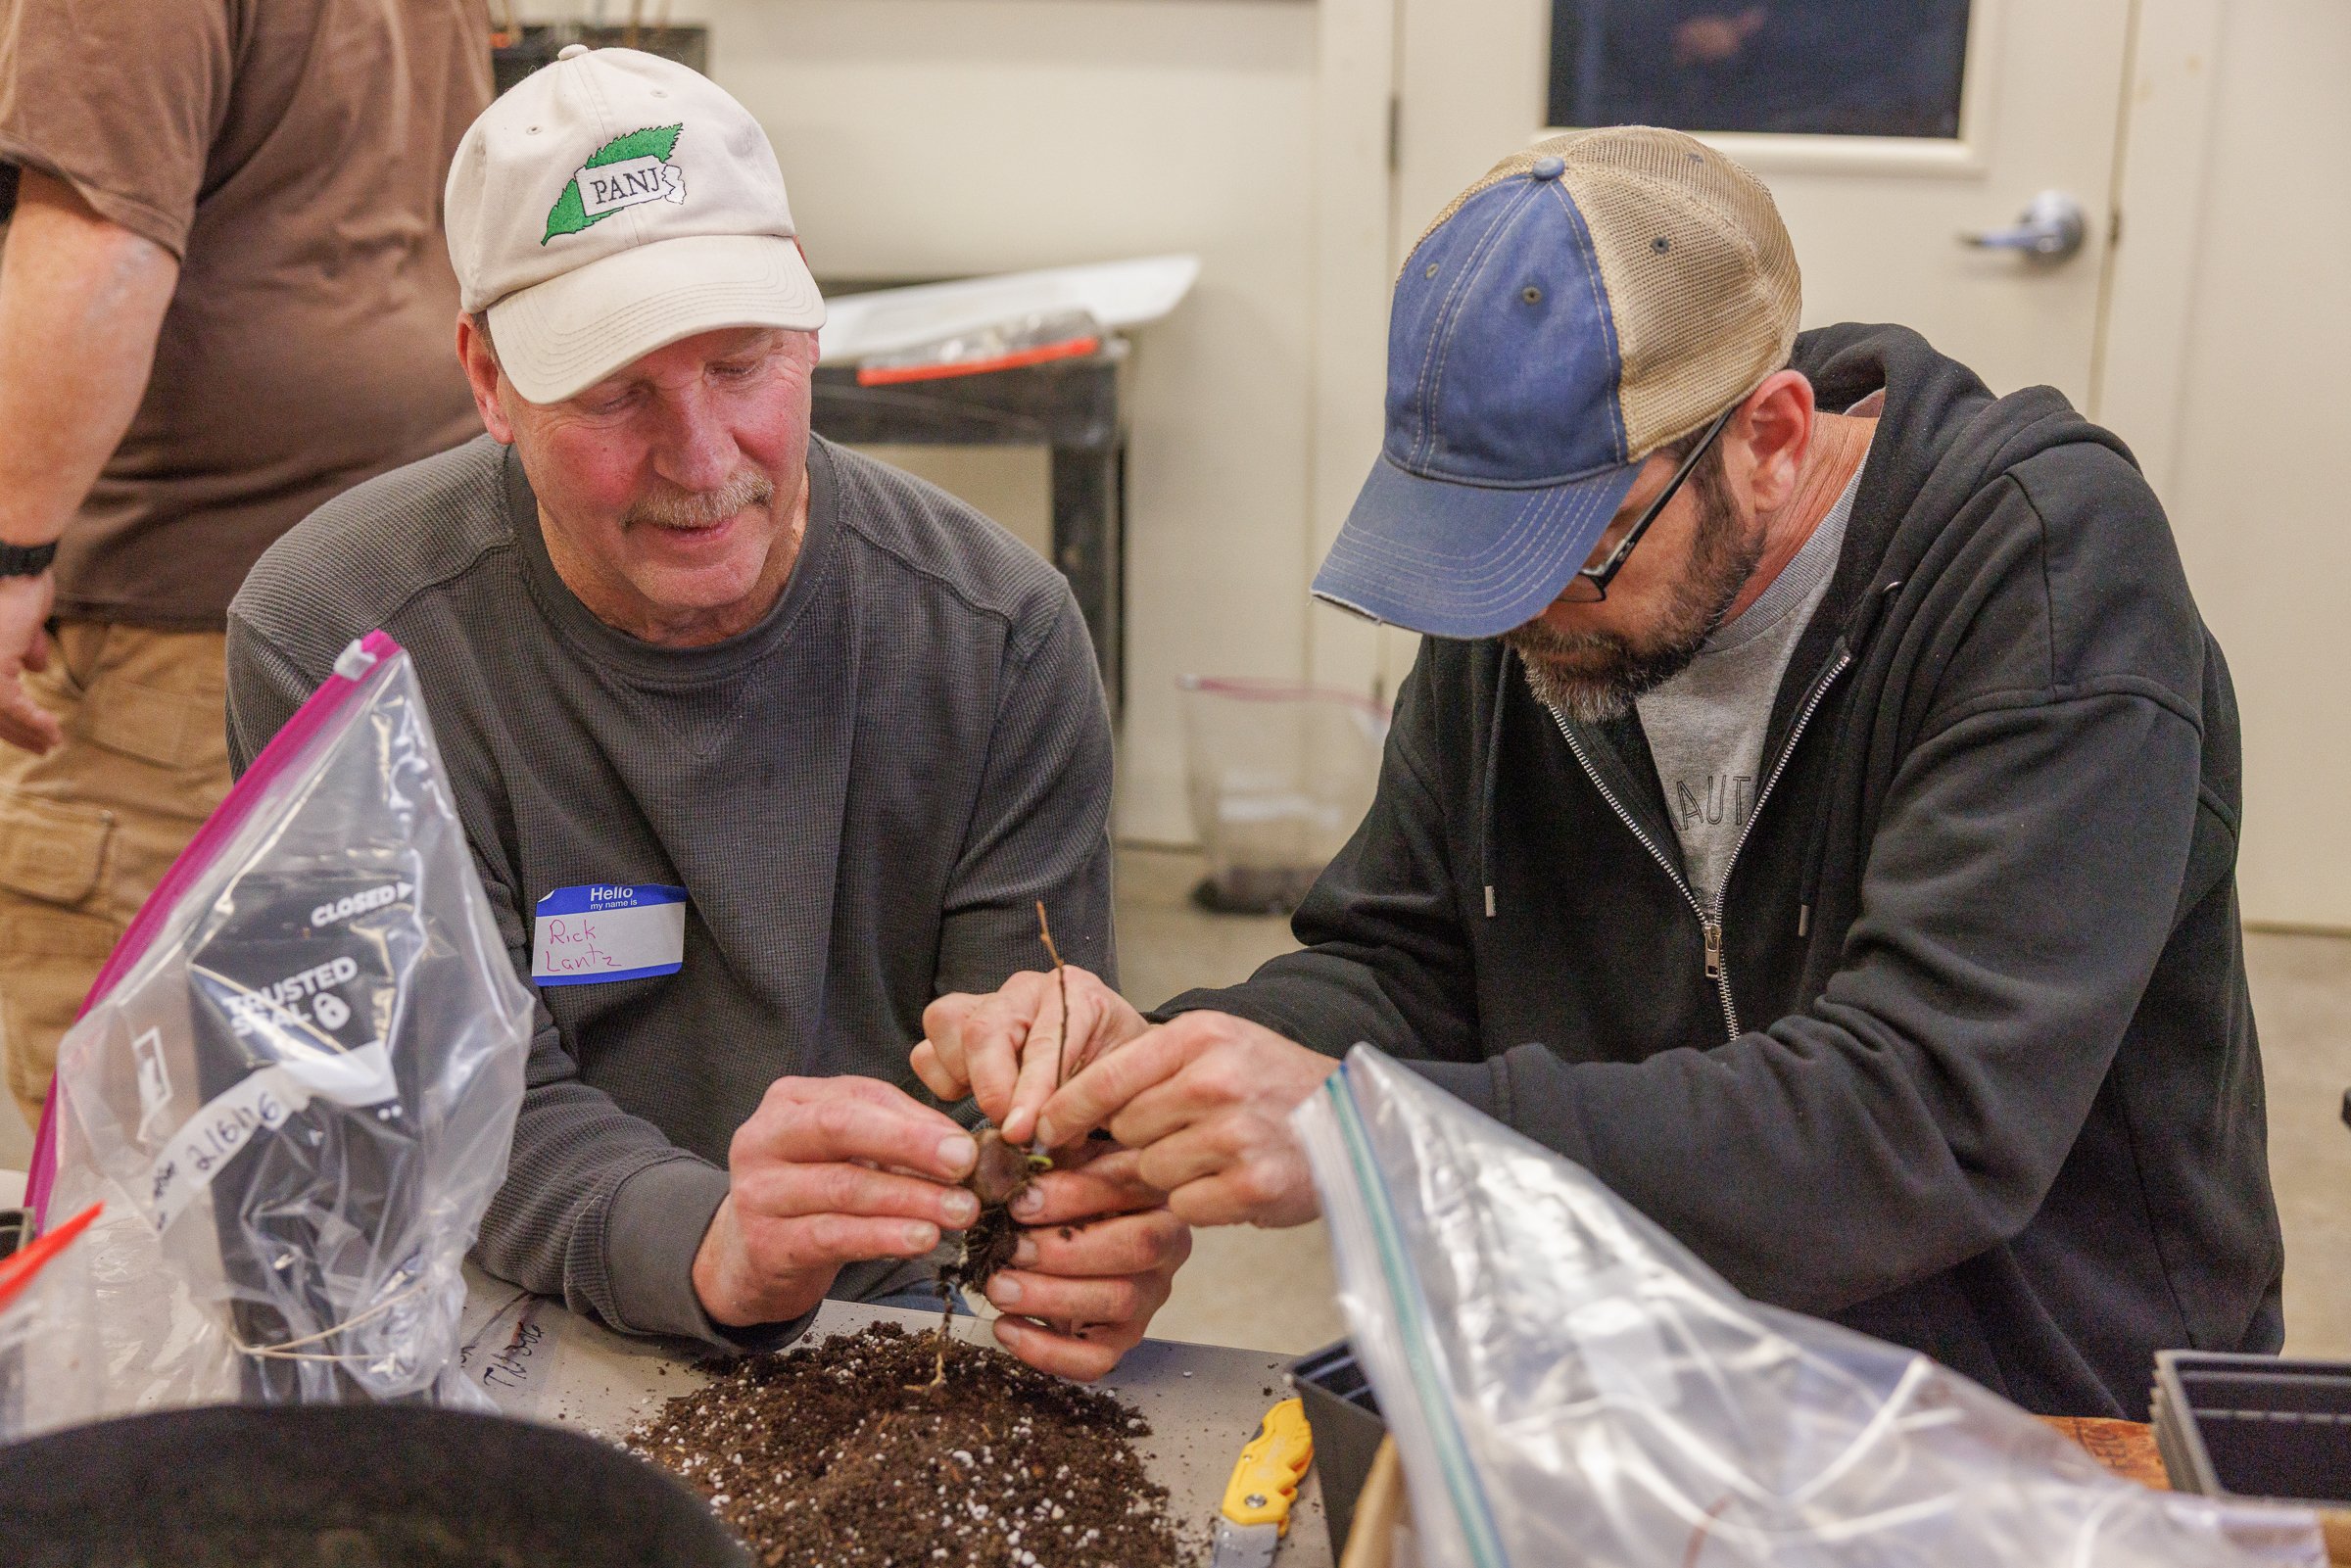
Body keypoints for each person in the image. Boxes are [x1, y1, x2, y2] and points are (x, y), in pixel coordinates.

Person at [918, 127, 2283, 1418]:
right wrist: (1160, 1075)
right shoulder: (1536, 606)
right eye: (1471, 558)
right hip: (1647, 1370)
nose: (1514, 617)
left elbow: (1921, 1120)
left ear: (1774, 433)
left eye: (1576, 551)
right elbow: (1405, 963)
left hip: (2025, 1405)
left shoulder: (2046, 580)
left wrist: (1371, 1138)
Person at [224, 48, 1184, 1380]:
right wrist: (714, 1242)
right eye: (617, 393)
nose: (701, 458)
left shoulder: (995, 636)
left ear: (808, 325)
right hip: (492, 1304)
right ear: (489, 380)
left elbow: (1026, 1105)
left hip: (887, 1326)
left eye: (741, 365)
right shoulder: (344, 640)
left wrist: (1072, 1202)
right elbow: (433, 1107)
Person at [0, 0, 493, 1136]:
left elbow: (105, 247)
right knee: (332, 1149)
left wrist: (14, 548)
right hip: (394, 600)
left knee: (143, 1177)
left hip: (178, 640)